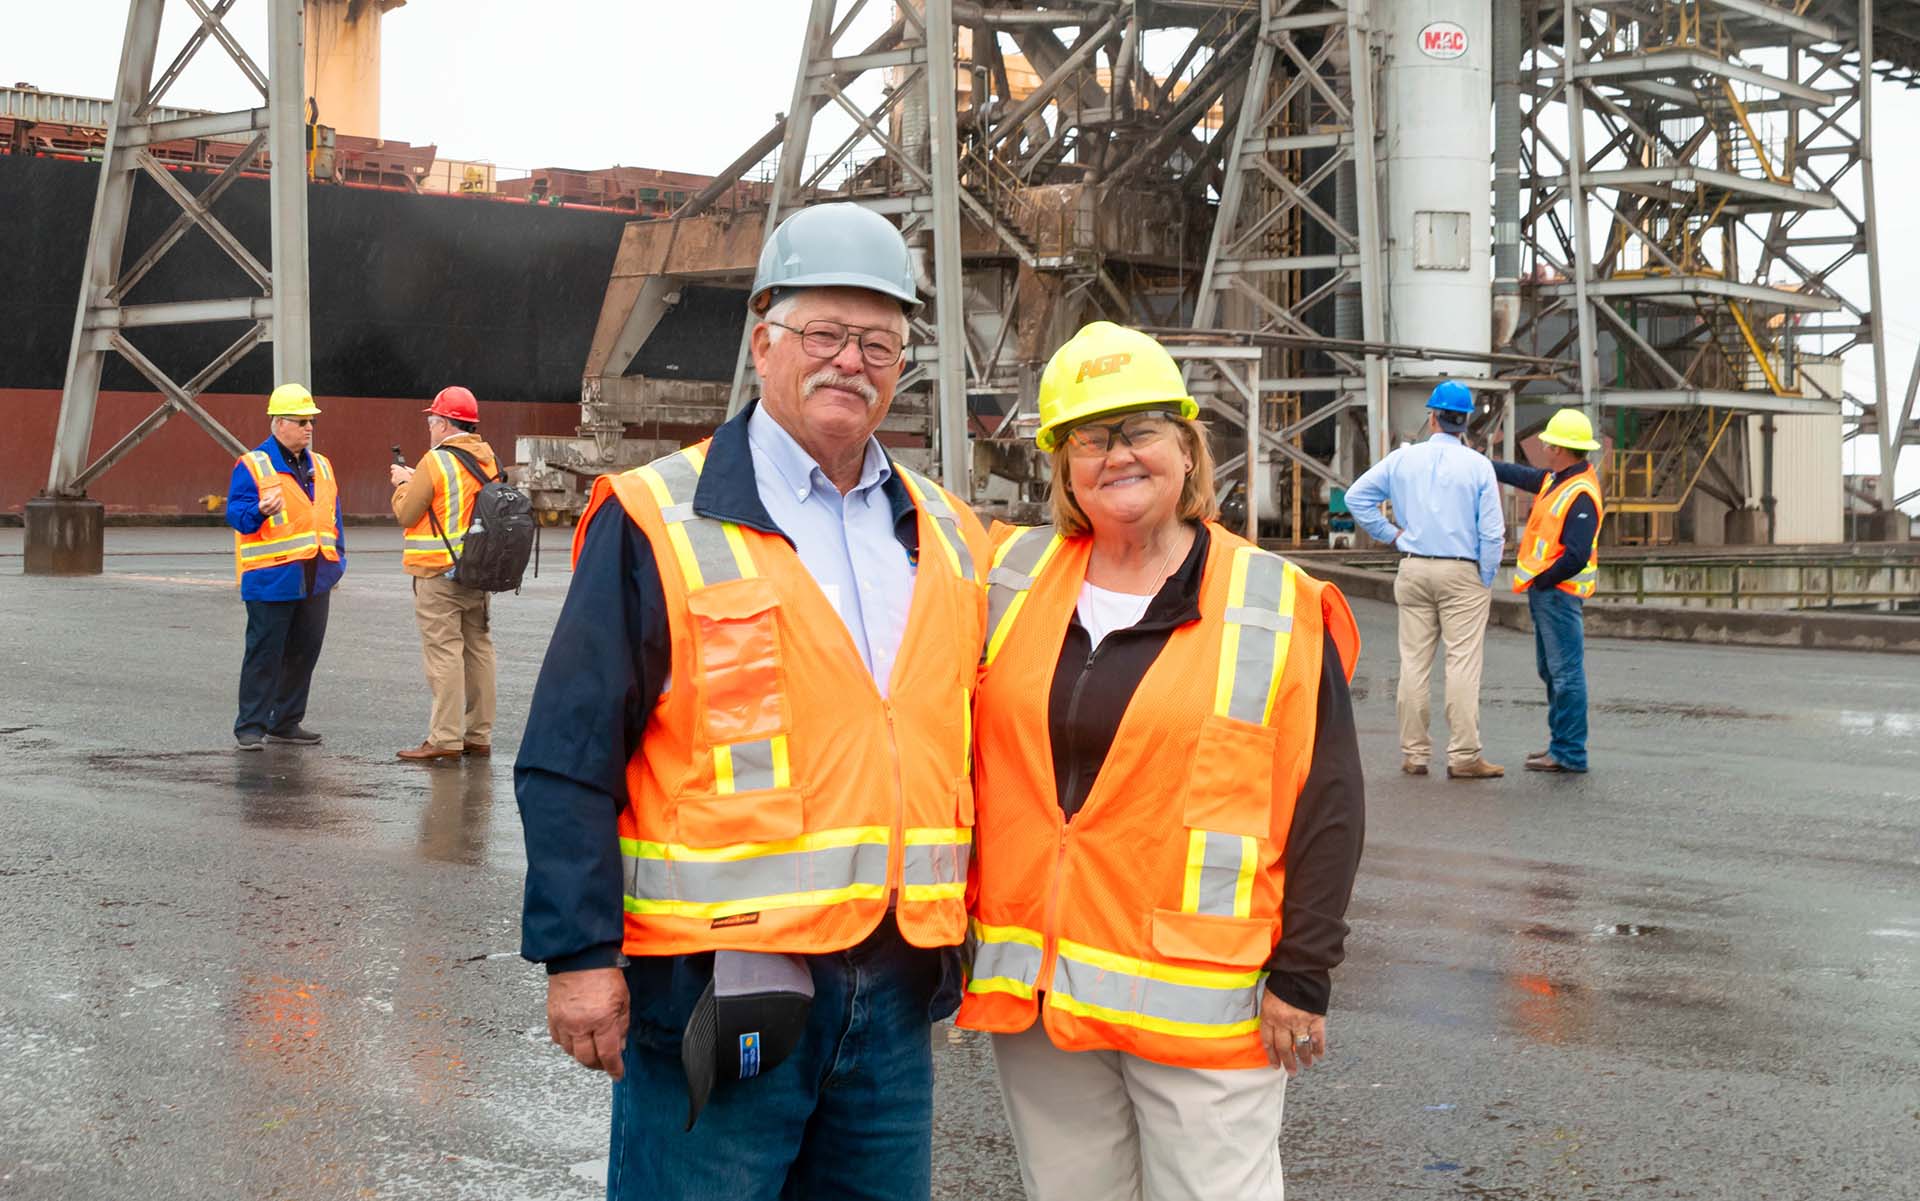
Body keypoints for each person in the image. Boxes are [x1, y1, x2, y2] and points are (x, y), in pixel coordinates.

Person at [514, 202, 987, 1201]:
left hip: (894, 989)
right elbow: (569, 751)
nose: (849, 361)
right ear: (763, 339)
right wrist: (579, 955)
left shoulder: (947, 531)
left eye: (877, 341)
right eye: (823, 333)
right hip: (724, 985)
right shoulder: (660, 517)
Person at [959, 322, 1365, 1201]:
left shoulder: (1272, 600)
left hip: (1205, 997)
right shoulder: (1010, 579)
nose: (1118, 455)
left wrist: (1304, 974)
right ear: (1063, 465)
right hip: (1044, 991)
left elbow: (1328, 799)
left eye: (1141, 430)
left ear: (1186, 449)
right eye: (1091, 438)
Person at [1344, 380, 1506, 780]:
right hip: (1461, 569)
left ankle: (1415, 754)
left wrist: (1389, 533)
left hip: (1414, 565)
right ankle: (1464, 755)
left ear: (1432, 416)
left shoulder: (1403, 460)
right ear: (1466, 421)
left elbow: (1355, 497)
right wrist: (1484, 576)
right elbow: (1492, 532)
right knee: (1462, 664)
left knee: (1414, 663)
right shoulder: (1478, 466)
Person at [225, 383, 344, 751]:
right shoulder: (253, 465)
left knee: (304, 651)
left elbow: (334, 516)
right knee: (265, 652)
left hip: (316, 576)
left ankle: (287, 721)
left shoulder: (321, 465)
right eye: (301, 421)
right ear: (279, 424)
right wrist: (259, 511)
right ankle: (251, 725)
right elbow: (235, 513)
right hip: (271, 577)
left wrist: (338, 558)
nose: (309, 428)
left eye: (311, 421)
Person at [389, 385, 500, 763]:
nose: (430, 429)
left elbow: (407, 514)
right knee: (479, 650)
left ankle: (446, 739)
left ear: (444, 424)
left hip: (438, 572)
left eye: (433, 421)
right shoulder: (487, 459)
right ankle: (478, 735)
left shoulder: (434, 462)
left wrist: (403, 483)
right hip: (478, 570)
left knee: (444, 654)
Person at [1493, 408, 1605, 774]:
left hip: (1558, 593)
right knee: (1552, 670)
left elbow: (1576, 553)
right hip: (1550, 593)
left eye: (1548, 442)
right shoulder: (1559, 479)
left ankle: (1570, 753)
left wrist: (1544, 579)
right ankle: (1560, 746)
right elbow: (1522, 475)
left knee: (1566, 674)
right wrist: (1483, 463)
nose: (1543, 446)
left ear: (1562, 449)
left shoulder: (1581, 492)